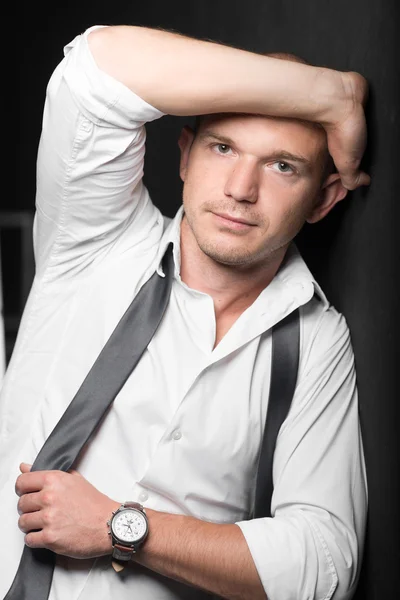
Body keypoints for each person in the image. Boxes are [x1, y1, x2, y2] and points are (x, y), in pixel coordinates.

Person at [0, 23, 369, 600]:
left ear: (323, 198)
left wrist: (122, 529)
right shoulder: (96, 242)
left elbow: (323, 566)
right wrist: (330, 96)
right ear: (185, 155)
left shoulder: (317, 340)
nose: (241, 189)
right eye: (223, 148)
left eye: (282, 166)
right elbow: (94, 72)